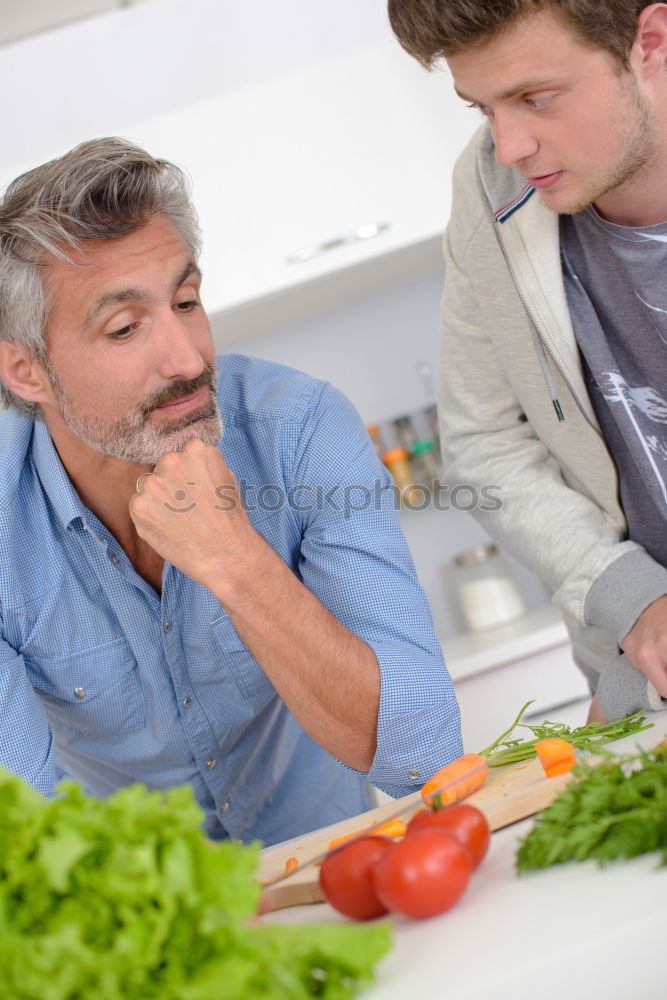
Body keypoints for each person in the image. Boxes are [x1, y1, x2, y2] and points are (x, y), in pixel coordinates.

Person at [0, 137, 461, 846]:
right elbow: (18, 825)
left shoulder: (299, 431)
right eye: (125, 328)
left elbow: (423, 756)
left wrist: (234, 561)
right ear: (25, 372)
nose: (187, 359)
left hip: (344, 877)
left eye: (186, 301)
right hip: (156, 927)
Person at [387, 0, 667, 723]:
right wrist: (635, 605)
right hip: (642, 691)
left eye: (534, 98)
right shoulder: (487, 189)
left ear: (650, 42)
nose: (508, 144)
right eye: (481, 107)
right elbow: (483, 442)